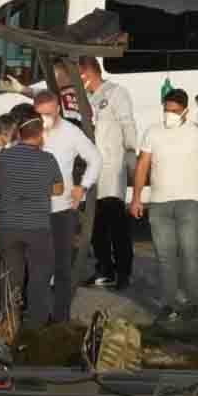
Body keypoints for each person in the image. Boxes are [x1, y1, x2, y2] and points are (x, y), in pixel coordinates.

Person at [130, 88, 198, 324]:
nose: (169, 114)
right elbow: (142, 167)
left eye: (174, 111)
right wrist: (137, 197)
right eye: (166, 110)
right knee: (165, 256)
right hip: (159, 204)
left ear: (186, 111)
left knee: (190, 254)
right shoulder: (152, 132)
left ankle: (192, 304)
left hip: (190, 202)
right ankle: (168, 304)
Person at [35, 90, 102, 324]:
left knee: (62, 266)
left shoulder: (71, 133)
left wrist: (82, 186)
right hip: (34, 210)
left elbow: (95, 158)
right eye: (40, 114)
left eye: (49, 113)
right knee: (37, 267)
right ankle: (37, 316)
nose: (45, 119)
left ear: (58, 110)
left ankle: (61, 318)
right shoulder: (31, 132)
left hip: (62, 208)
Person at [0, 110, 65, 330]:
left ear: (19, 132)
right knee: (39, 275)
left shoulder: (4, 157)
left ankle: (9, 321)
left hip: (8, 226)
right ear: (40, 133)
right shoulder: (47, 159)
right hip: (37, 227)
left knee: (10, 275)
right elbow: (58, 188)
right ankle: (36, 322)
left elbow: (0, 183)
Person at [80, 56, 138, 290]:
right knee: (95, 225)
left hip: (112, 167)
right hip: (91, 168)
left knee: (116, 224)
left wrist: (132, 153)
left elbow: (128, 124)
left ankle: (123, 272)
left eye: (79, 74)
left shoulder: (116, 93)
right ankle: (104, 269)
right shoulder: (83, 97)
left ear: (89, 73)